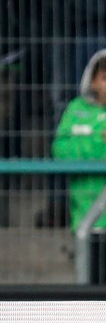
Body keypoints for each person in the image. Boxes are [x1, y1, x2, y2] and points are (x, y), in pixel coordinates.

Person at [53, 49, 106, 283]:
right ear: (93, 80)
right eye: (105, 78)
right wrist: (99, 142)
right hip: (86, 220)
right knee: (89, 294)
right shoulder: (76, 110)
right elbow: (61, 152)